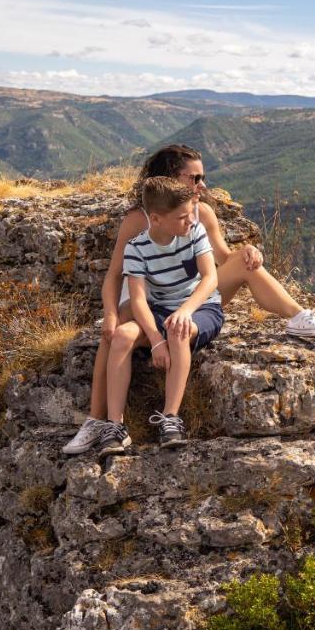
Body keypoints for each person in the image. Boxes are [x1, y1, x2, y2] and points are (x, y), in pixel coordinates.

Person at [64, 144, 315, 455]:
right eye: (194, 178)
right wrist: (111, 314)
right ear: (170, 178)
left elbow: (220, 259)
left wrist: (246, 252)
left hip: (193, 301)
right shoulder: (138, 221)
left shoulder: (201, 213)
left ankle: (298, 317)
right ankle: (98, 421)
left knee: (247, 264)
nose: (202, 185)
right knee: (112, 334)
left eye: (202, 177)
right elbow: (115, 276)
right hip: (152, 303)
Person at [95, 177, 220, 456]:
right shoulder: (137, 248)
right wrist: (154, 341)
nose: (190, 220)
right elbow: (137, 300)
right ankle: (115, 426)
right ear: (156, 219)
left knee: (178, 330)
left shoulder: (195, 231)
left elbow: (211, 278)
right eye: (182, 216)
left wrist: (185, 311)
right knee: (122, 335)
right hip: (160, 310)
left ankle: (171, 419)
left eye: (190, 214)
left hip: (201, 308)